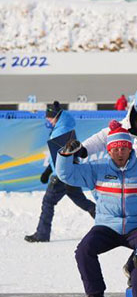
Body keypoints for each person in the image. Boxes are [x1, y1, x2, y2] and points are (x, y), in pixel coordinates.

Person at [55, 121, 137, 297]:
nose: (119, 152)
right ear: (108, 150)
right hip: (106, 226)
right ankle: (95, 295)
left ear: (130, 149)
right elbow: (66, 175)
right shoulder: (96, 169)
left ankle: (136, 282)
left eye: (124, 148)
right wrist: (65, 155)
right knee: (84, 250)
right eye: (115, 149)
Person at [25, 101, 95, 243]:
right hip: (69, 173)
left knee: (48, 202)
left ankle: (42, 234)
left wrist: (56, 173)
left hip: (62, 174)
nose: (47, 120)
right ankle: (107, 221)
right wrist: (47, 170)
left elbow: (64, 156)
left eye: (49, 117)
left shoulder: (61, 131)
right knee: (82, 201)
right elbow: (56, 154)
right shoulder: (63, 127)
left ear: (55, 116)